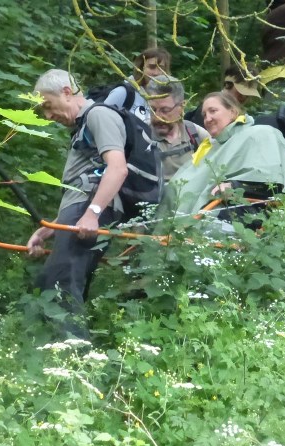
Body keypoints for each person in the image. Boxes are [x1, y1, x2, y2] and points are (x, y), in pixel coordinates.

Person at [26, 69, 127, 331]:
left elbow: (117, 168)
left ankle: (76, 360)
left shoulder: (99, 115)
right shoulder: (84, 125)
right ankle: (60, 357)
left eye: (48, 106)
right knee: (51, 282)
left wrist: (92, 213)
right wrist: (50, 228)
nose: (48, 115)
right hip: (82, 208)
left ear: (67, 92)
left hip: (90, 208)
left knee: (60, 285)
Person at [161, 92, 285, 216]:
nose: (207, 118)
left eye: (213, 111)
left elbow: (270, 179)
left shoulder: (258, 133)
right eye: (204, 115)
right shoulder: (211, 147)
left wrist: (236, 186)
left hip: (235, 211)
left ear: (233, 112)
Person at [145, 75, 210, 181]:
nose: (157, 117)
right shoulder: (141, 135)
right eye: (152, 109)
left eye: (165, 110)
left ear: (182, 106)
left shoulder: (195, 134)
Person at [106, 47, 172, 123]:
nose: (156, 73)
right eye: (151, 67)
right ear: (141, 68)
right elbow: (102, 120)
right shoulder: (123, 92)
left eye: (161, 68)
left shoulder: (164, 97)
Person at [185, 65, 261, 128]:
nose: (244, 98)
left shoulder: (242, 115)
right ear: (227, 85)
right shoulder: (208, 110)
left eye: (248, 95)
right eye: (241, 93)